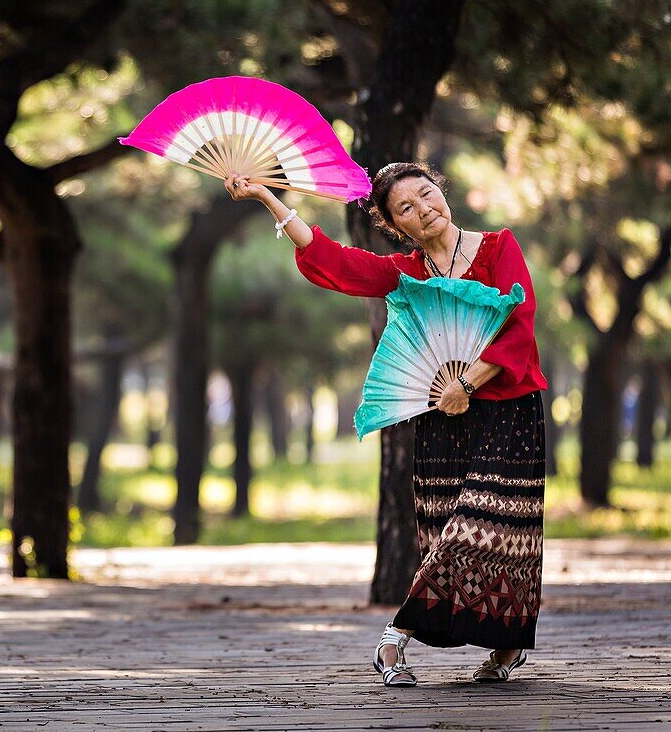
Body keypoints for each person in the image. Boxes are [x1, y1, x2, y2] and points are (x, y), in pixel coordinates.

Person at [226, 163, 548, 686]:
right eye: (407, 209)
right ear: (396, 226)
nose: (424, 211)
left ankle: (406, 635)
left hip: (508, 406)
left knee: (495, 527)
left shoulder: (498, 247)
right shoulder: (408, 272)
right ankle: (497, 647)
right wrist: (269, 197)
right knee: (448, 527)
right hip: (442, 416)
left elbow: (521, 323)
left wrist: (468, 382)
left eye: (427, 196)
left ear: (441, 192)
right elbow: (335, 262)